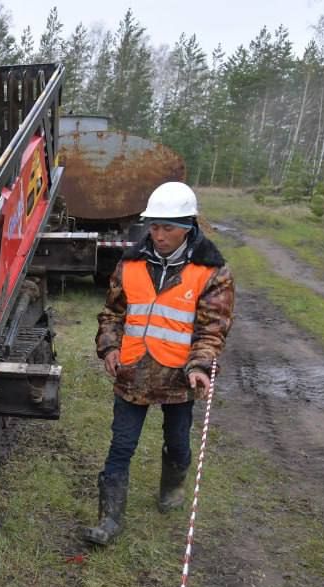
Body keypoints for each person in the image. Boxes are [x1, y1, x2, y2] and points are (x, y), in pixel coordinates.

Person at [83, 181, 235, 546]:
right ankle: (109, 519)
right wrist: (109, 347)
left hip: (179, 378)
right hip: (132, 372)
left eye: (168, 227)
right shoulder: (130, 263)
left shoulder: (212, 272)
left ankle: (172, 488)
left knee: (178, 442)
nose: (159, 234)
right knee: (121, 445)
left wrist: (199, 366)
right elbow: (113, 313)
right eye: (154, 226)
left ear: (189, 227)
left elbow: (212, 329)